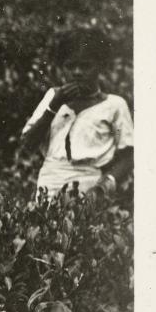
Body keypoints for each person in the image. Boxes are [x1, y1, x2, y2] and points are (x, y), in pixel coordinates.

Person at [20, 36, 133, 199]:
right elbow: (28, 145)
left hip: (90, 187)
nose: (77, 72)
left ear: (101, 67)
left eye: (85, 66)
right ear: (62, 68)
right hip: (48, 185)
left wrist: (102, 189)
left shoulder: (114, 105)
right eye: (70, 66)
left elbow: (128, 154)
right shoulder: (52, 97)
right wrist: (54, 106)